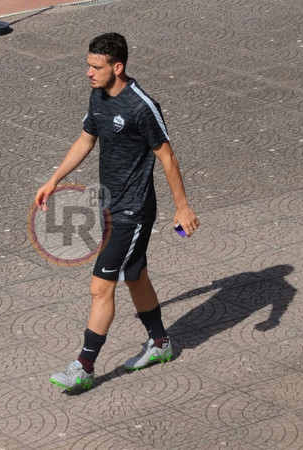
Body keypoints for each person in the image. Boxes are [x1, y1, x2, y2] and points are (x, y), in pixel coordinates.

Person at [34, 32, 199, 391]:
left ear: (117, 67)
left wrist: (182, 207)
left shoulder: (141, 106)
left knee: (100, 287)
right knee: (135, 275)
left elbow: (167, 156)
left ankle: (84, 366)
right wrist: (54, 179)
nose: (89, 73)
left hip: (133, 211)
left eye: (97, 67)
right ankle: (160, 344)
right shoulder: (98, 97)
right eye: (89, 65)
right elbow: (85, 139)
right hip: (108, 205)